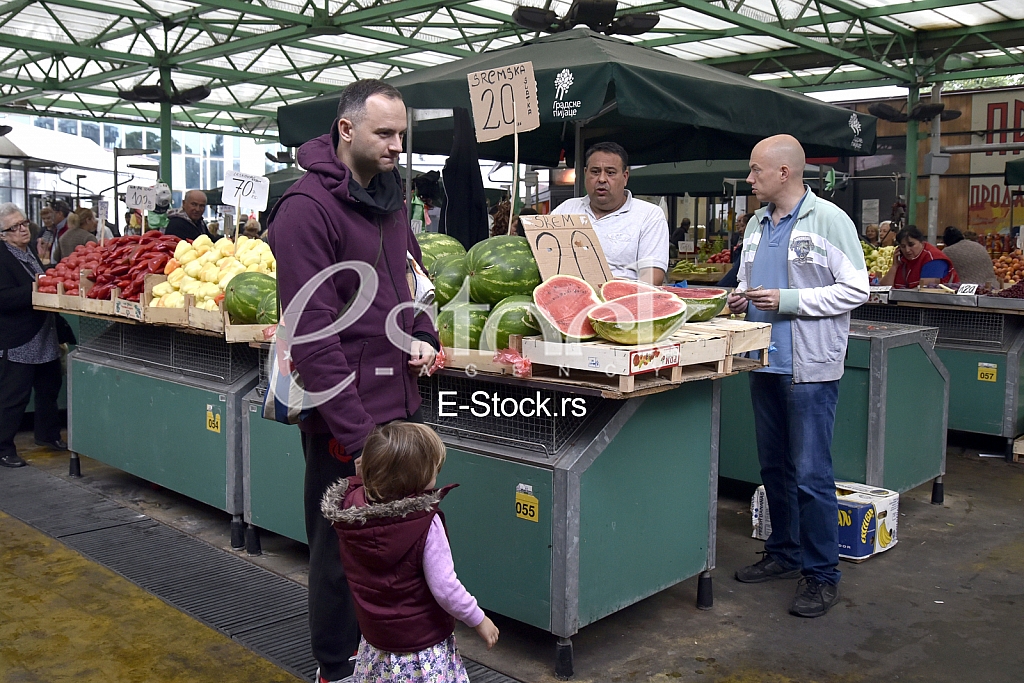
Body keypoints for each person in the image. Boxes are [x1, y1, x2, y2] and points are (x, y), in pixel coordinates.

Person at [268, 78, 439, 683]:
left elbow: (412, 278)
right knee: (343, 547)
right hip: (348, 421)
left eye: (402, 134)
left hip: (401, 404)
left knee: (403, 544)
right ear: (346, 129)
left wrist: (424, 333)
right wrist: (361, 440)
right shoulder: (306, 209)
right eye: (384, 133)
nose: (397, 146)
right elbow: (312, 335)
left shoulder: (392, 198)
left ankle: (389, 659)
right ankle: (336, 667)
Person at [727, 135, 869, 618]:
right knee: (775, 470)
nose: (750, 179)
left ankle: (822, 575)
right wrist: (740, 297)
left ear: (784, 172)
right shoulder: (755, 224)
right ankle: (785, 554)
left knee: (811, 477)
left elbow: (856, 289)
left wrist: (791, 301)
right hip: (763, 362)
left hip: (809, 369)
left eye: (756, 170)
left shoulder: (829, 220)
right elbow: (748, 279)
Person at [322, 421, 499, 682]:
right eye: (434, 468)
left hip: (378, 645)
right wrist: (478, 619)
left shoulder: (351, 515)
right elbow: (445, 588)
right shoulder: (425, 523)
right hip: (422, 652)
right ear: (417, 478)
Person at [0, 203, 76, 468]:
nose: (23, 229)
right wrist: (38, 286)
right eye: (15, 227)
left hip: (44, 334)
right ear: (2, 235)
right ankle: (3, 448)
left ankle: (48, 434)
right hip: (18, 338)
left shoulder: (29, 250)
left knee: (49, 388)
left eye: (24, 223)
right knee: (13, 396)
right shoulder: (2, 258)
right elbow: (4, 298)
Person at [552, 142, 669, 284]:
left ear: (625, 177)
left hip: (625, 296)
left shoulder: (649, 215)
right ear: (585, 173)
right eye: (595, 172)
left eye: (610, 172)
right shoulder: (566, 209)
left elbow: (652, 277)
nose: (602, 179)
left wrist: (612, 288)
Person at [879, 225, 959, 289]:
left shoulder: (933, 259)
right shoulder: (901, 259)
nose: (907, 250)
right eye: (903, 246)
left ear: (922, 242)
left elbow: (925, 290)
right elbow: (884, 288)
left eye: (911, 245)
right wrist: (894, 266)